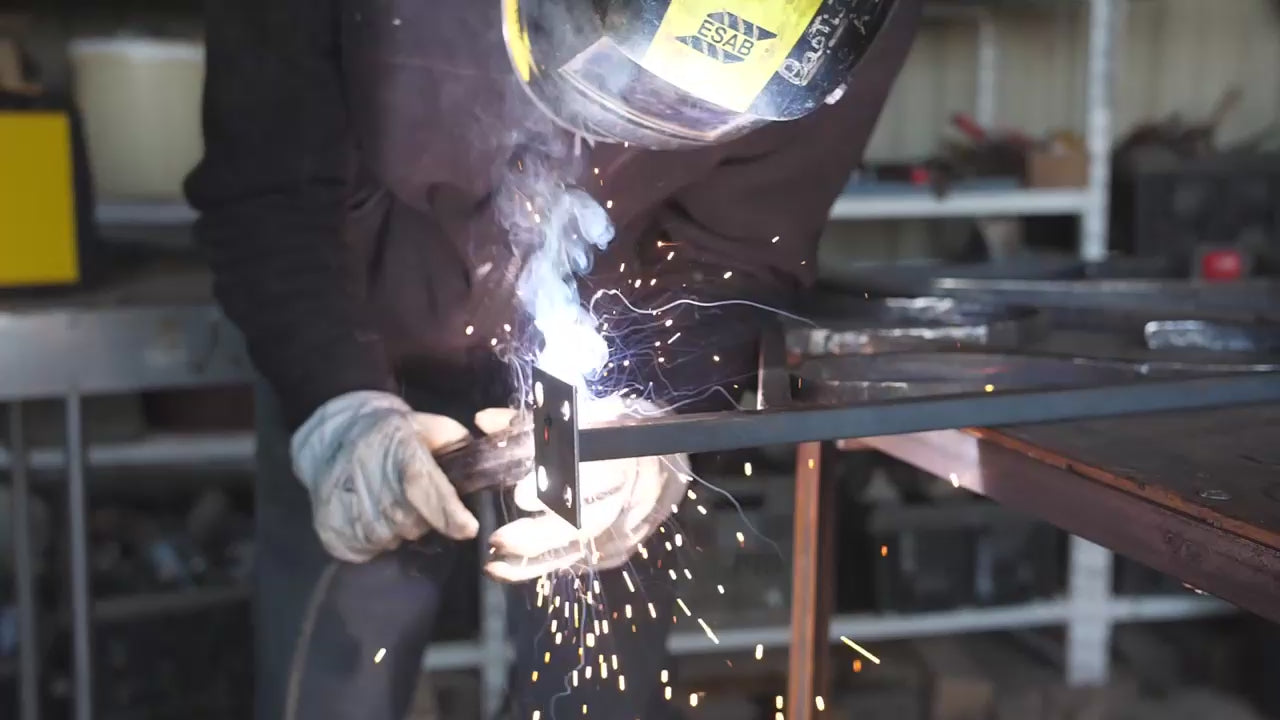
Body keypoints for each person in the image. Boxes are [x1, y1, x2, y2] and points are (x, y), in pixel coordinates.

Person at [185, 1, 922, 718]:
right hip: (356, 334)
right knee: (335, 672)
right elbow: (271, 184)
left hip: (616, 365)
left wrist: (652, 427)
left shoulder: (844, 19)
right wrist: (336, 401)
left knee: (598, 678)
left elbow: (738, 248)